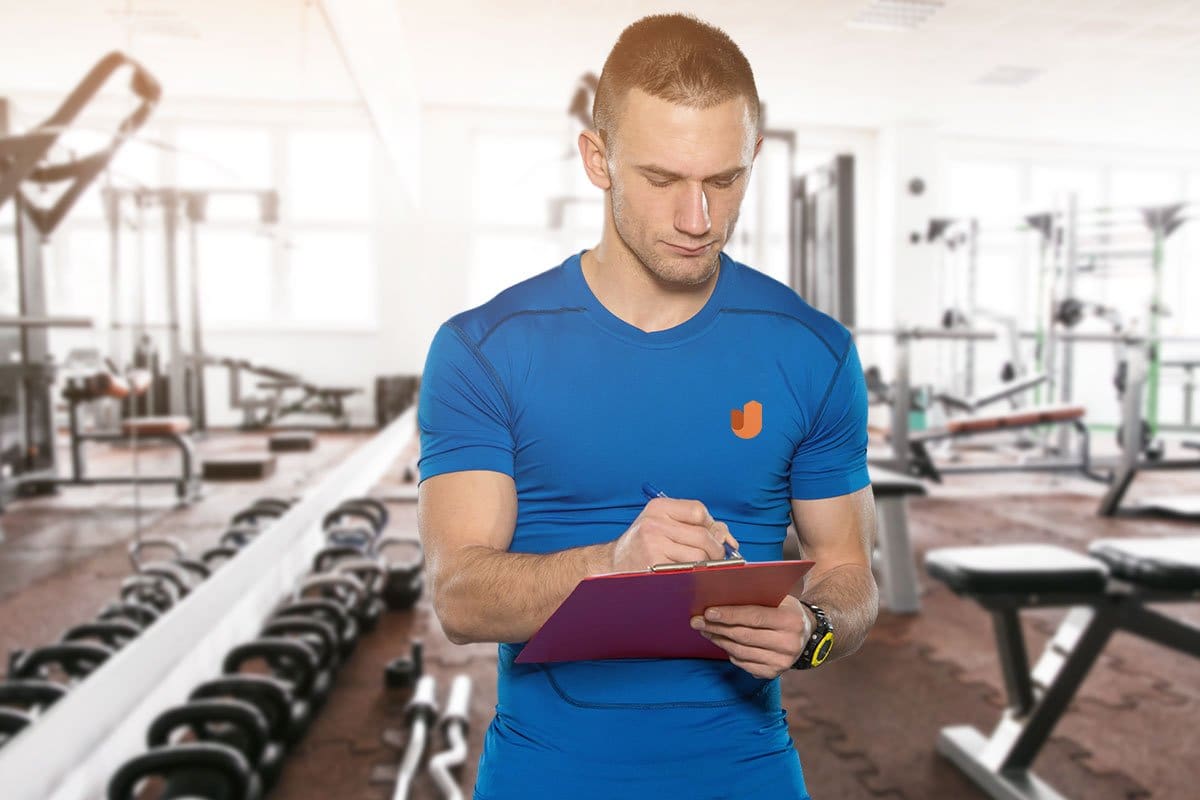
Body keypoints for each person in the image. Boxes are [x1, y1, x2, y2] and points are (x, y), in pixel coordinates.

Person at [417, 13, 877, 800]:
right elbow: (457, 596)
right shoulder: (484, 350)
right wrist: (611, 568)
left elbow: (850, 575)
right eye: (662, 180)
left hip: (748, 769)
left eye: (724, 181)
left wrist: (812, 634)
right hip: (548, 773)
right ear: (598, 160)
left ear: (752, 157)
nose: (697, 220)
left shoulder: (814, 351)